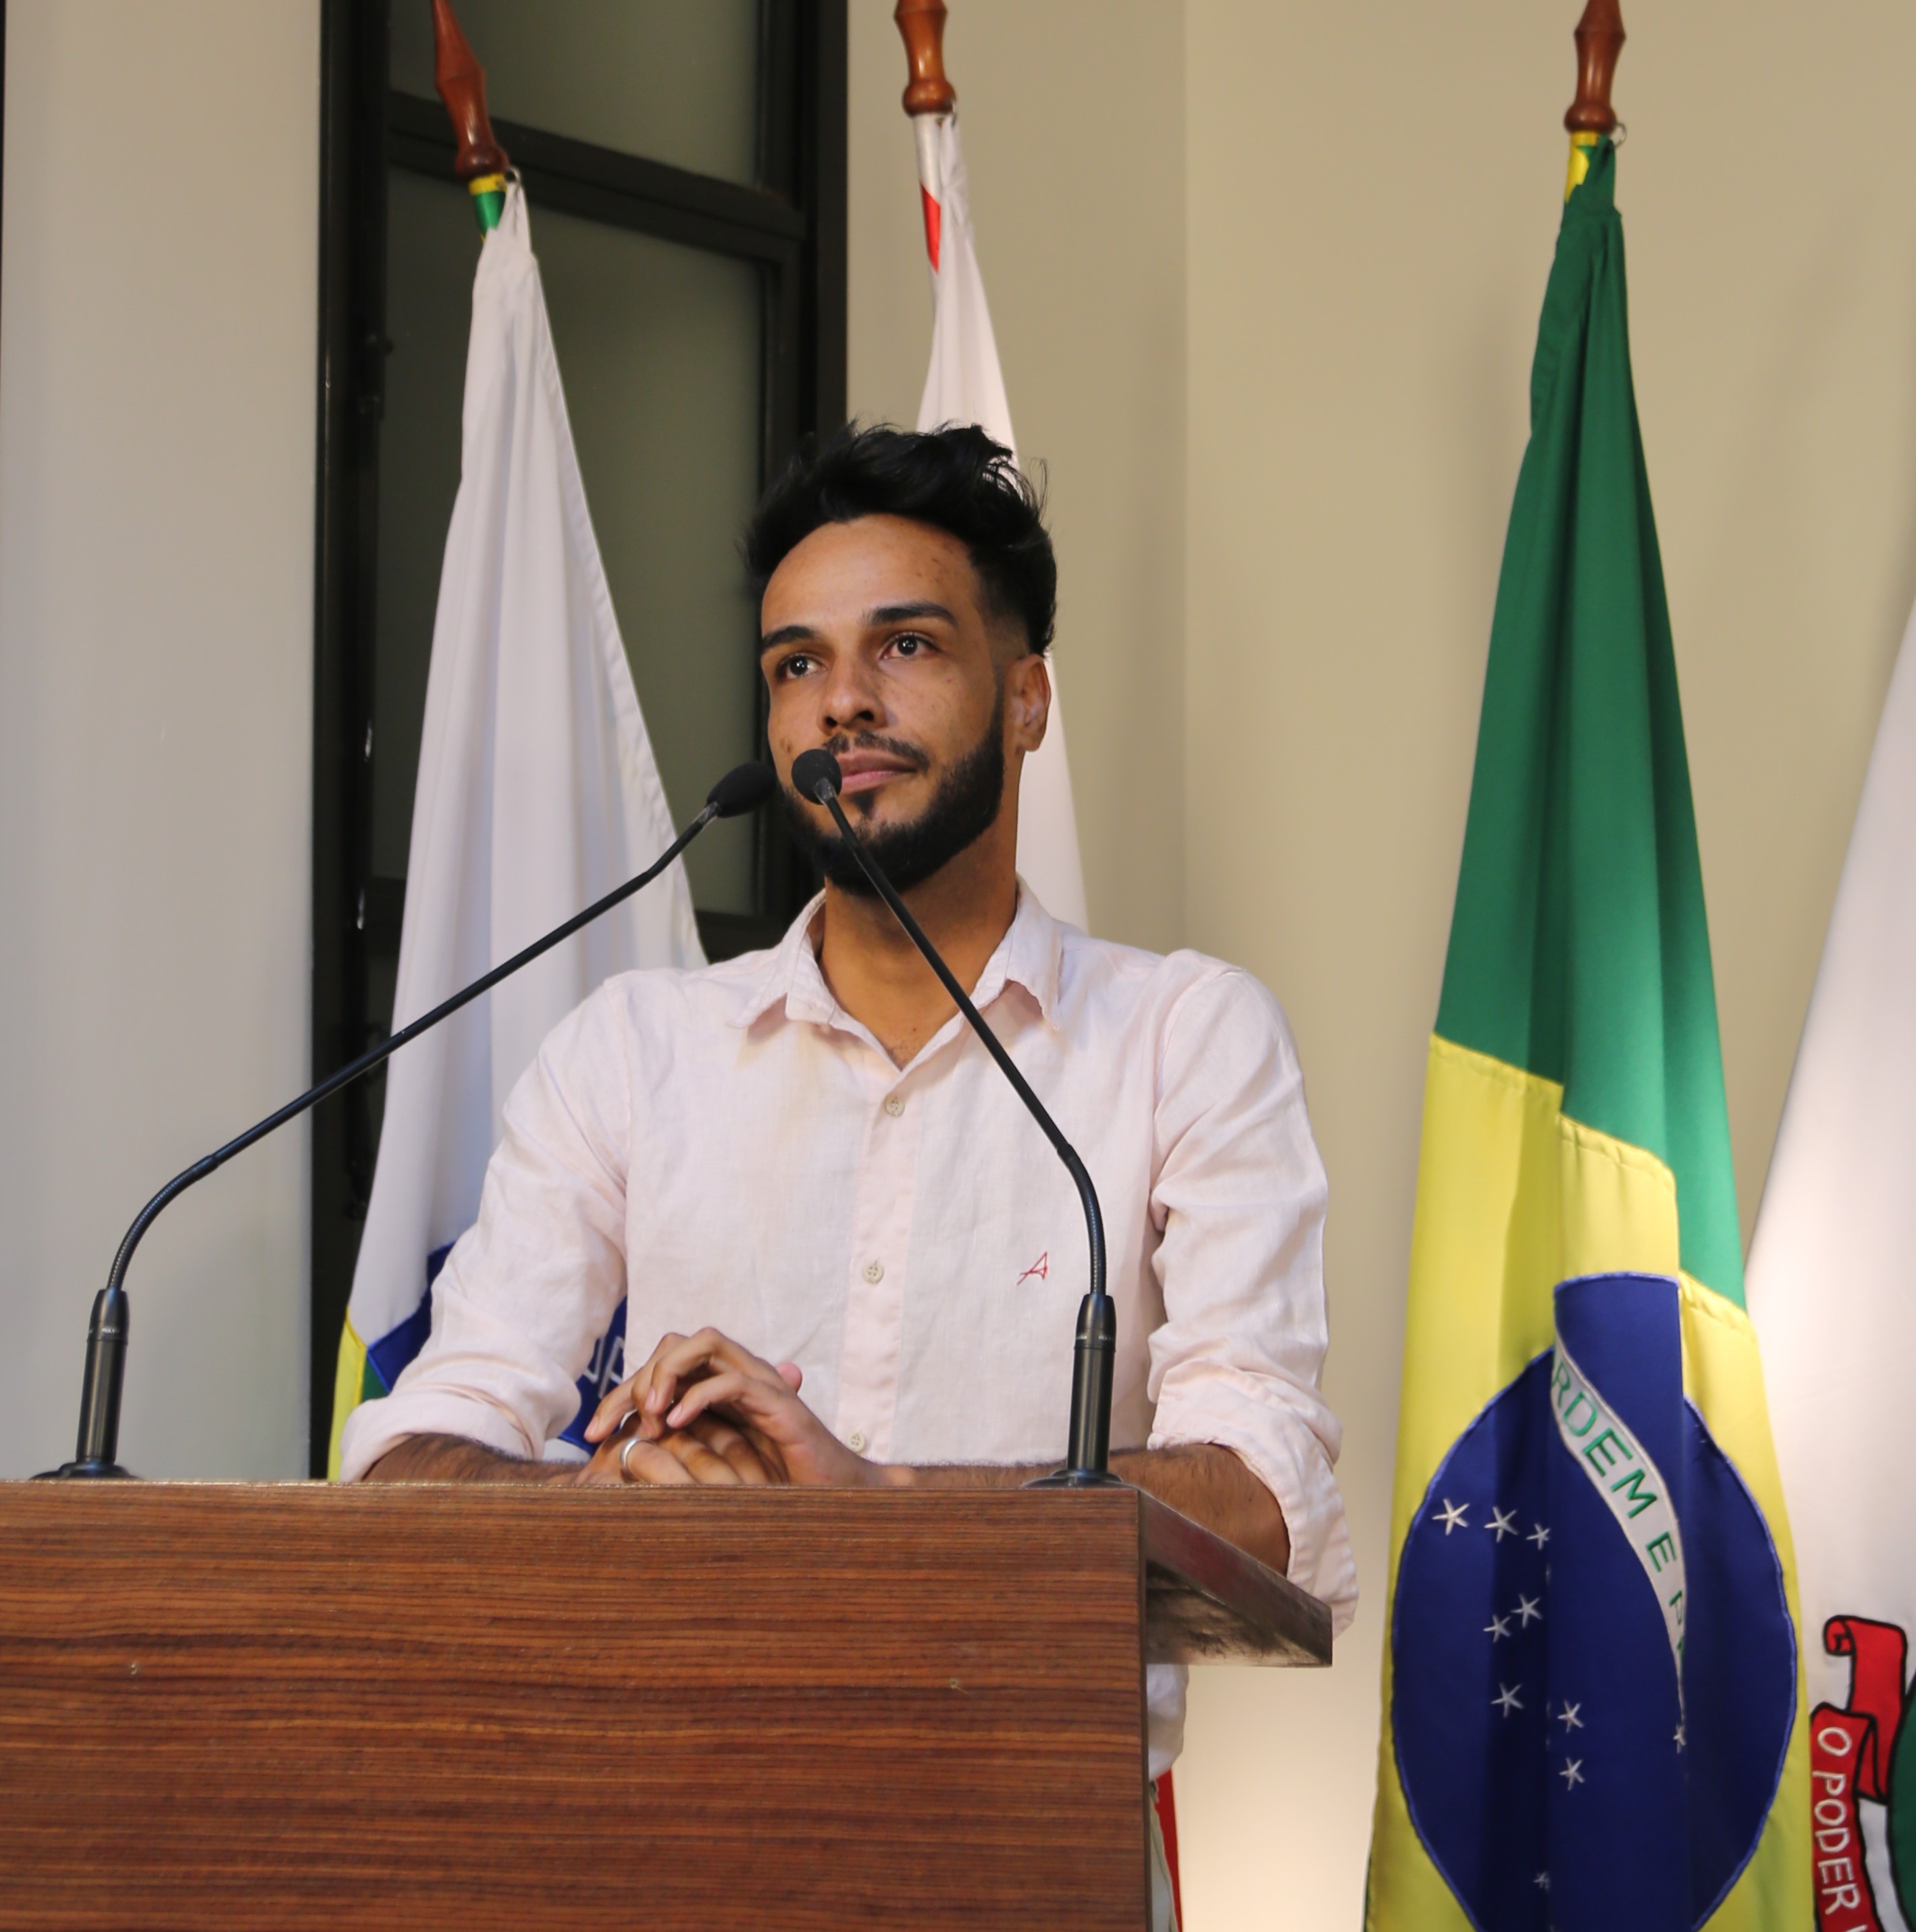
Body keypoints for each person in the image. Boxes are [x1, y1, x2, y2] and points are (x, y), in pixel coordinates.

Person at [340, 424, 1356, 1922]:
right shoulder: (635, 1049)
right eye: (796, 664)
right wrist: (610, 1497)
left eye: (906, 646)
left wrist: (875, 1499)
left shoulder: (1182, 1038)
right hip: (655, 1838)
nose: (843, 702)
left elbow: (1260, 1498)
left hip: (1024, 1849)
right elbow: (410, 1457)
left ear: (1027, 698)